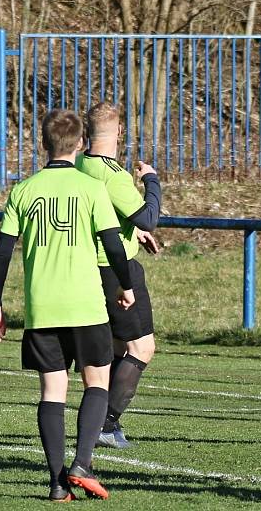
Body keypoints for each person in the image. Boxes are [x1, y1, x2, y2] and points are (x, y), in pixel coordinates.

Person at [0, 109, 135, 501]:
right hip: (85, 304)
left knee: (52, 390)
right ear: (82, 144)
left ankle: (55, 483)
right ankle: (82, 463)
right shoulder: (91, 188)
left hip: (43, 308)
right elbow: (114, 243)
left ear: (43, 144)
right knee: (96, 381)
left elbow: (2, 252)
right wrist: (126, 284)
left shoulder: (23, 190)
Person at [76, 101, 162, 449]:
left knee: (115, 346)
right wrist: (151, 180)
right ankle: (105, 423)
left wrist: (131, 228)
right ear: (120, 132)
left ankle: (99, 419)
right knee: (142, 348)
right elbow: (149, 217)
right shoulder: (114, 175)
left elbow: (104, 212)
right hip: (116, 268)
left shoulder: (79, 164)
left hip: (86, 266)